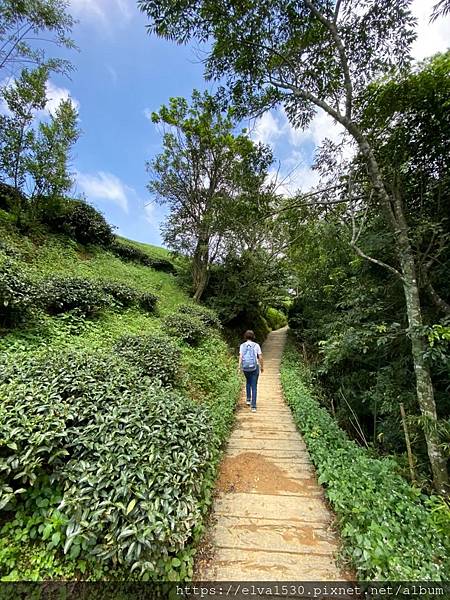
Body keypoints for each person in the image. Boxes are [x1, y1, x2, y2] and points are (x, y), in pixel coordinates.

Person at [239, 330, 264, 412]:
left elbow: (241, 357)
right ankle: (253, 406)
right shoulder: (256, 345)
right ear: (253, 337)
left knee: (248, 382)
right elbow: (260, 357)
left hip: (245, 367)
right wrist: (262, 367)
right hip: (254, 367)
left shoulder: (242, 346)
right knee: (254, 386)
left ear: (245, 337)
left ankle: (248, 399)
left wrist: (239, 367)